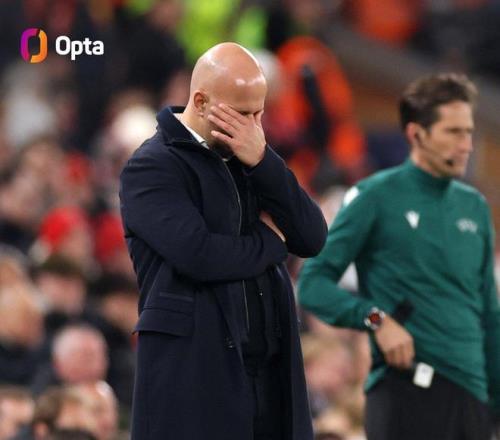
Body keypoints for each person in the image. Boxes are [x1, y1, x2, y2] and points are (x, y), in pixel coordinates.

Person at [119, 42, 327, 439]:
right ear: (200, 101)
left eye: (259, 113)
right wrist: (271, 242)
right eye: (242, 113)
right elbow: (200, 255)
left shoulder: (252, 157)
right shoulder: (151, 166)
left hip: (271, 373)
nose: (254, 126)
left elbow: (312, 236)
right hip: (195, 378)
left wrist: (265, 161)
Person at [299, 73, 500, 440]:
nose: (467, 145)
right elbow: (313, 284)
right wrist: (376, 319)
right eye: (453, 132)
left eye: (469, 132)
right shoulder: (375, 196)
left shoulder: (475, 207)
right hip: (403, 389)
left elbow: (490, 314)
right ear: (417, 134)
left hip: (471, 396)